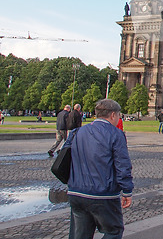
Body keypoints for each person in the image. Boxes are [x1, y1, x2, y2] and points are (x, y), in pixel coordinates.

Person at [64, 98, 133, 239]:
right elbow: (122, 165)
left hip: (76, 192)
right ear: (113, 115)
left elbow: (65, 159)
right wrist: (127, 191)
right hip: (103, 193)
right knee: (113, 231)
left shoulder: (77, 132)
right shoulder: (116, 134)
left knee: (79, 235)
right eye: (119, 115)